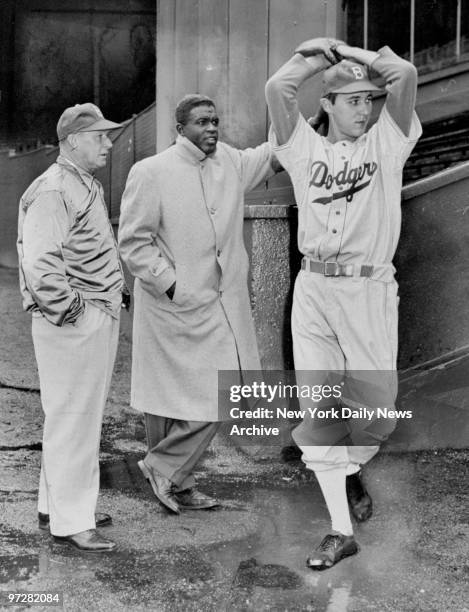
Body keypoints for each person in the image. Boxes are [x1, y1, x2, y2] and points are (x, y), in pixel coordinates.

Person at [265, 39, 421, 569]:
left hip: (368, 289)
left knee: (377, 414)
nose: (364, 109)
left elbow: (403, 72)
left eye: (368, 99)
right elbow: (277, 88)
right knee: (319, 411)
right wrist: (313, 60)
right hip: (313, 290)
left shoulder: (389, 142)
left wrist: (350, 49)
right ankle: (339, 530)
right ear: (328, 104)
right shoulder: (301, 146)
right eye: (351, 99)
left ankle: (351, 466)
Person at [118, 94, 276, 514]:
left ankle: (165, 469)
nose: (212, 128)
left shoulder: (229, 161)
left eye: (215, 121)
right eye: (202, 122)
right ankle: (178, 481)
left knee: (218, 394)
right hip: (171, 308)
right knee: (168, 403)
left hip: (218, 307)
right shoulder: (151, 171)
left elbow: (273, 154)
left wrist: (307, 121)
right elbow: (133, 242)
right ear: (180, 128)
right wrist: (173, 286)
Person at [17, 103, 127, 552]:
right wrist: (76, 310)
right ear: (73, 141)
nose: (108, 143)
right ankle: (73, 522)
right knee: (75, 419)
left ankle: (57, 505)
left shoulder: (83, 184)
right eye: (99, 136)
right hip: (74, 321)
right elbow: (41, 267)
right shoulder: (54, 188)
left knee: (71, 416)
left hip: (91, 314)